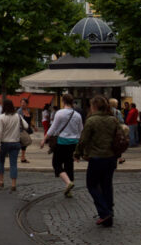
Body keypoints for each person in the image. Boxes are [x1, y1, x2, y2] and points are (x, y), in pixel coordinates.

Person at [74, 95, 120, 228]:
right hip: (111, 157)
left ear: (94, 106)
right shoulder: (113, 120)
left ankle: (104, 212)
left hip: (96, 157)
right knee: (107, 184)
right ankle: (109, 212)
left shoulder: (91, 120)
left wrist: (77, 153)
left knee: (92, 185)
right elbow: (119, 137)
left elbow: (83, 140)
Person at [40, 93, 82, 197]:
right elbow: (81, 131)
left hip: (62, 142)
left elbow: (53, 128)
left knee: (56, 164)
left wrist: (44, 139)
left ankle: (68, 183)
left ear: (63, 101)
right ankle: (69, 190)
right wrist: (80, 149)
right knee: (69, 164)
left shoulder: (60, 113)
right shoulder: (77, 115)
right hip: (74, 143)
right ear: (72, 102)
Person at [0, 98, 22, 192]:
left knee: (1, 162)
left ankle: (1, 181)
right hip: (15, 143)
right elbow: (26, 126)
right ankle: (13, 184)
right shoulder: (18, 116)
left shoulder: (1, 117)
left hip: (4, 143)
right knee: (13, 164)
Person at [18, 98, 33, 163]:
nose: (22, 104)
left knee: (25, 144)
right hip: (21, 130)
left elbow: (30, 120)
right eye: (21, 103)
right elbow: (18, 121)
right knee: (22, 143)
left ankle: (23, 157)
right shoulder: (19, 111)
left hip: (27, 129)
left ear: (27, 104)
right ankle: (22, 157)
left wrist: (34, 126)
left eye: (24, 103)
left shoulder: (28, 110)